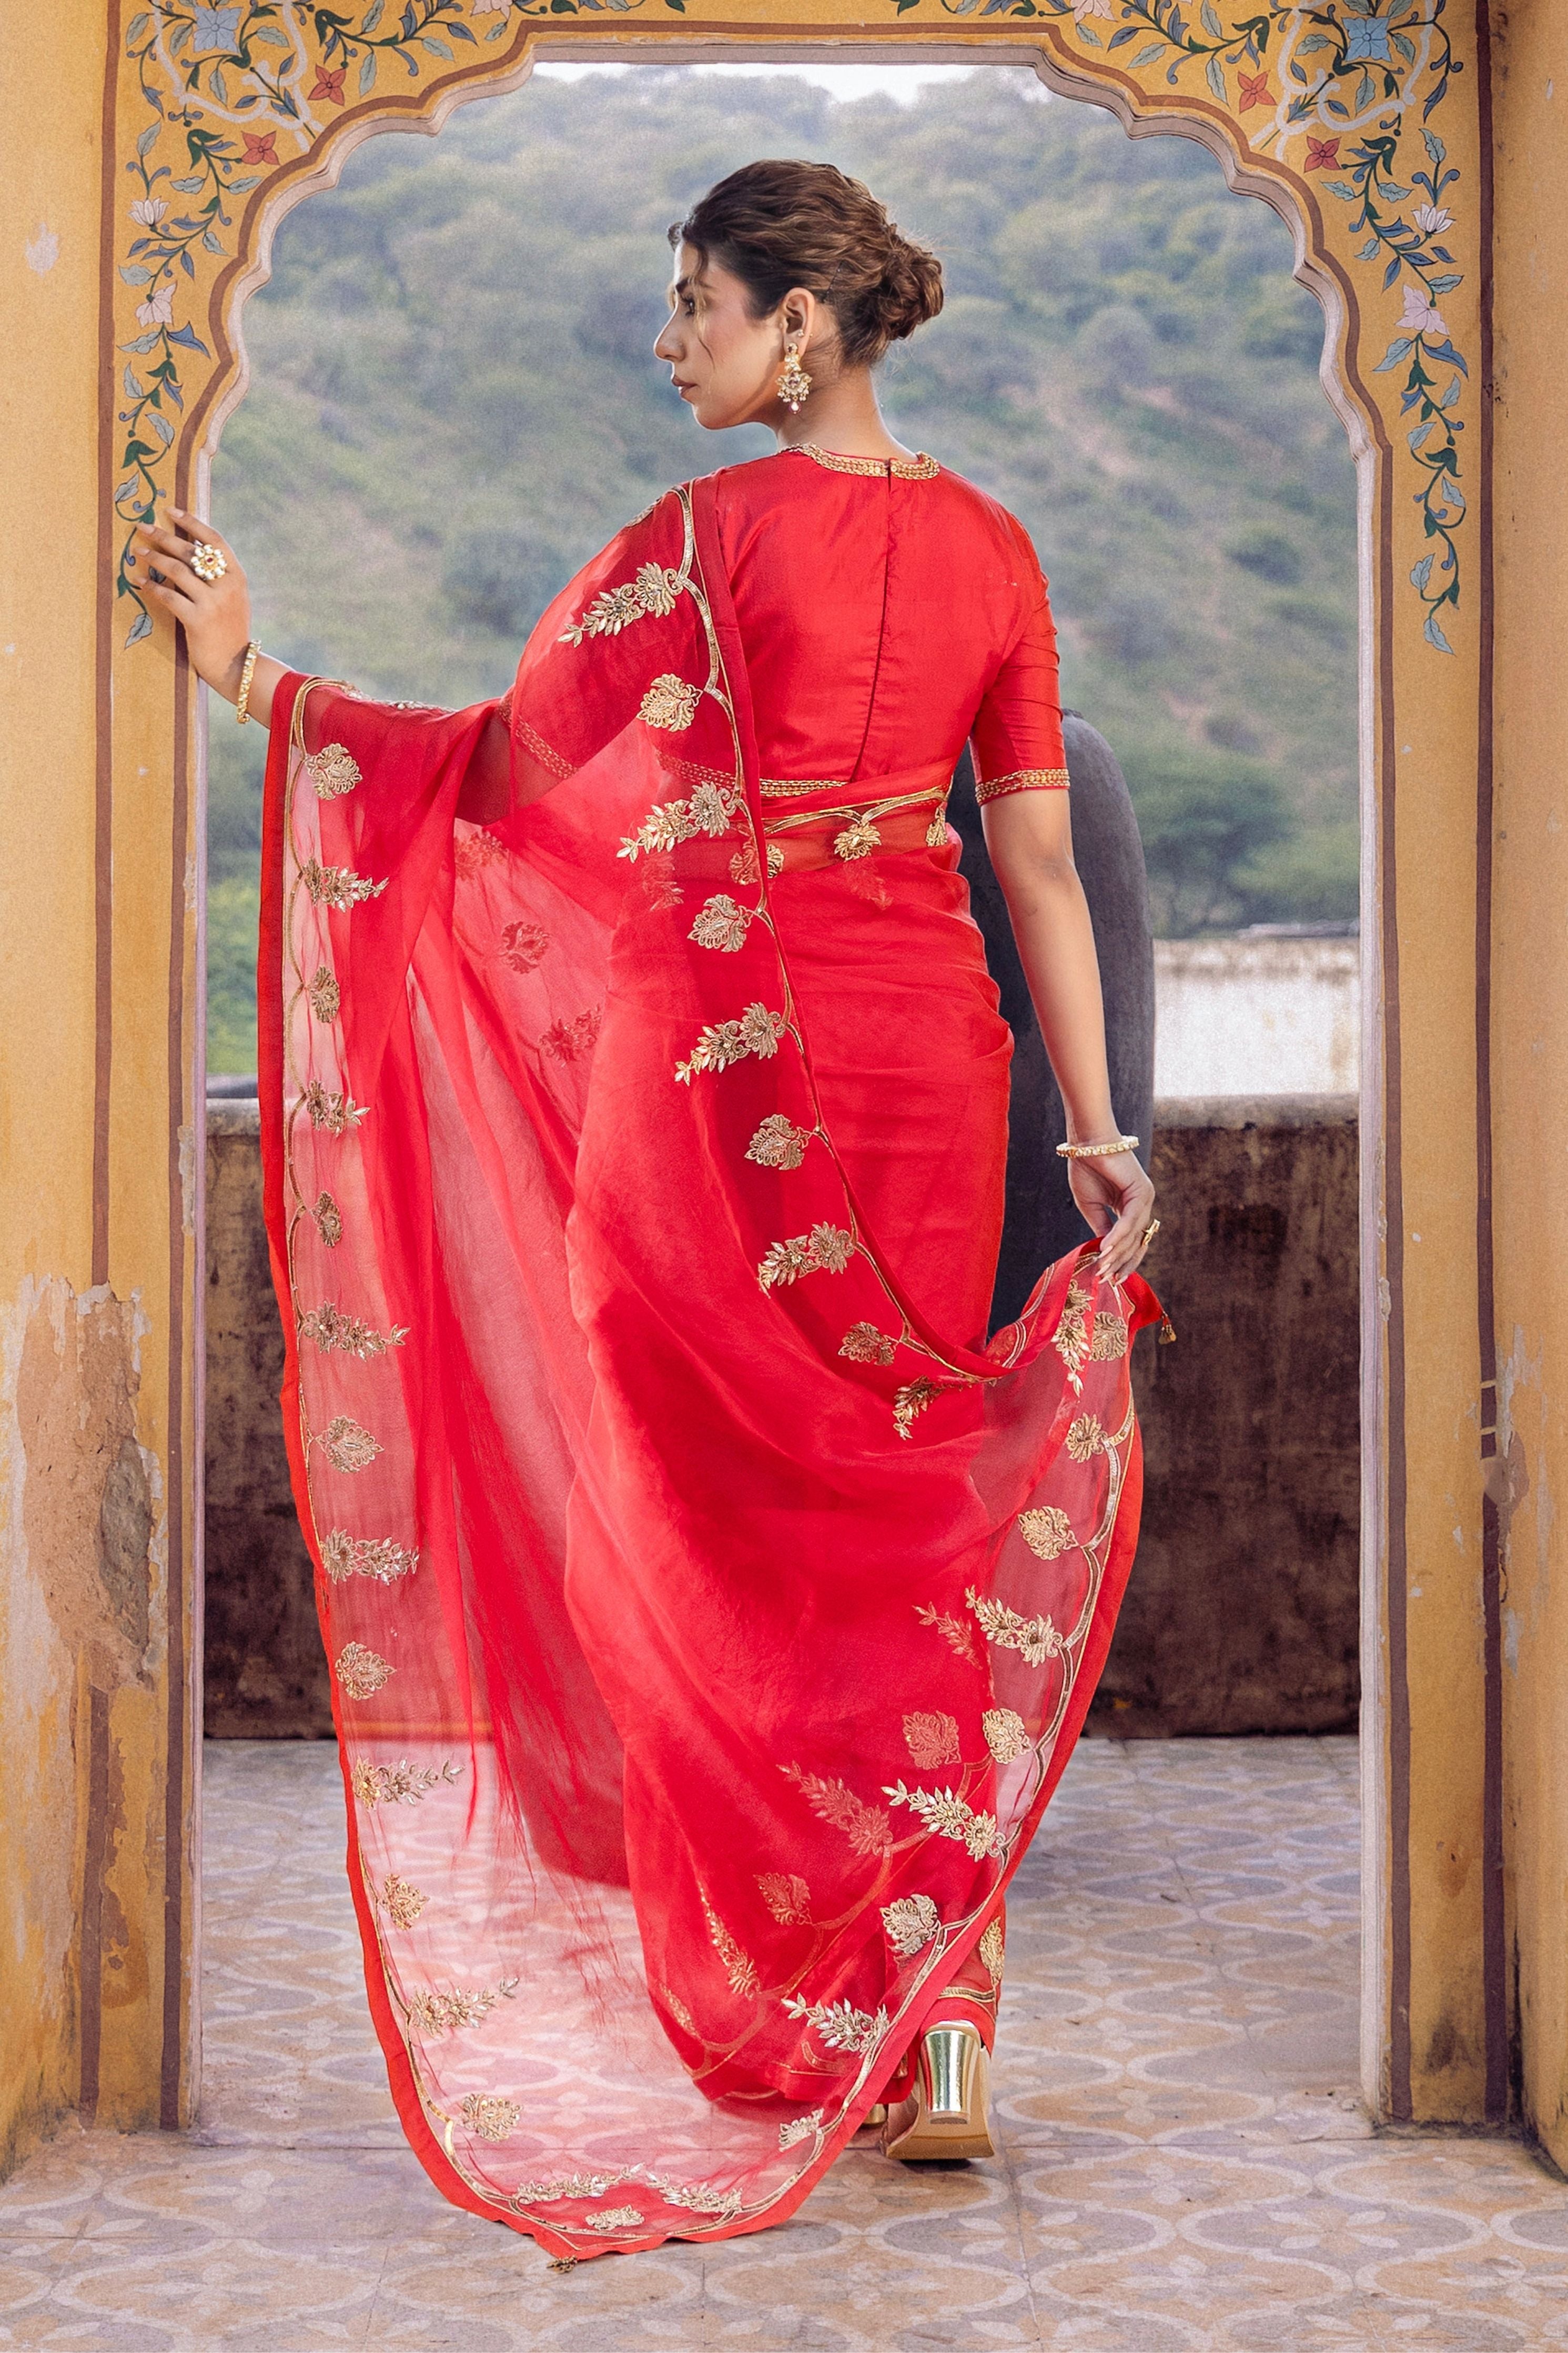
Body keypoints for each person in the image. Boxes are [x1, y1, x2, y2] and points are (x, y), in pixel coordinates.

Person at [130, 158, 1159, 2263]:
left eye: (695, 298)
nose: (668, 333)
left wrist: (258, 682)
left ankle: (798, 2010)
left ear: (800, 324)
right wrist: (1097, 1122)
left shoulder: (687, 551)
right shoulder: (993, 547)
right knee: (900, 1526)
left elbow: (504, 779)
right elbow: (1032, 862)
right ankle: (939, 2018)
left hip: (707, 1099)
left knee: (693, 1539)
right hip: (935, 1067)